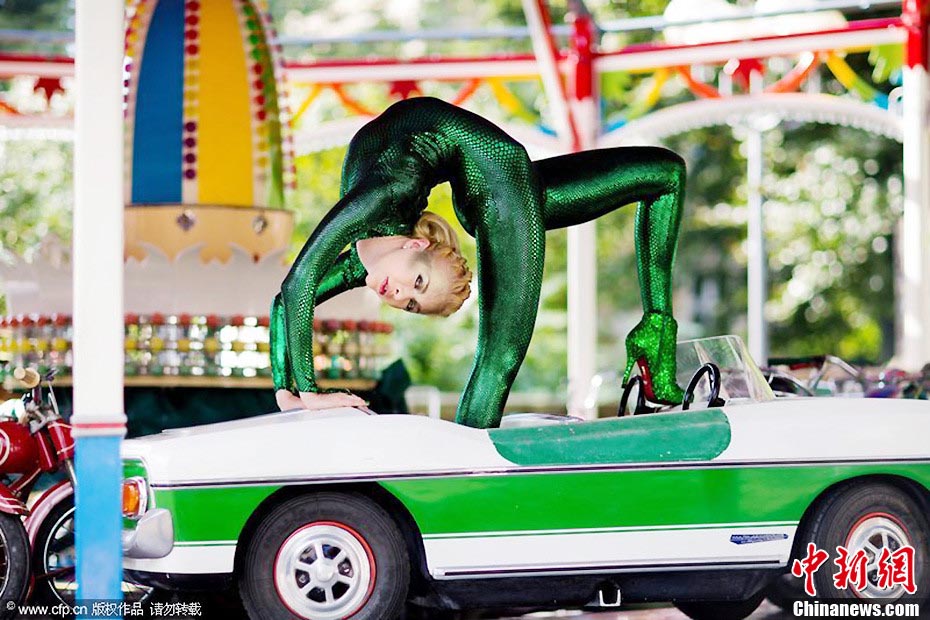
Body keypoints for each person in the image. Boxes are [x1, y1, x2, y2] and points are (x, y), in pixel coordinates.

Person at [272, 96, 685, 429]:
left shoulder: (383, 199)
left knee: (498, 357)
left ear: (416, 245)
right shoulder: (376, 257)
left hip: (499, 179)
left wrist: (306, 390)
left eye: (415, 291)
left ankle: (657, 324)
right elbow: (286, 300)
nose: (399, 296)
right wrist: (285, 390)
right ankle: (655, 327)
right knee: (663, 173)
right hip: (487, 180)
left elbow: (295, 288)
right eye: (414, 298)